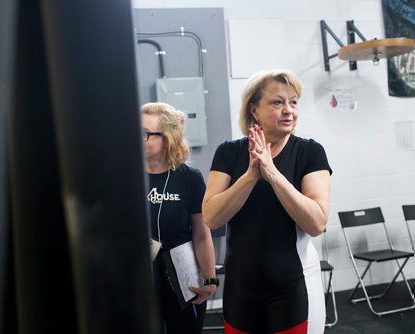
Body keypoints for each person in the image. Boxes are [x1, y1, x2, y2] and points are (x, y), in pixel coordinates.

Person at [202, 69, 332, 334]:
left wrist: (272, 173)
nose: (288, 110)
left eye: (293, 102)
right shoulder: (229, 152)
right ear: (254, 110)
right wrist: (251, 175)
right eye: (277, 102)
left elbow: (317, 223)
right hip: (241, 289)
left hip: (293, 287)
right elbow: (211, 217)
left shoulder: (310, 152)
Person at [142, 102, 217, 334]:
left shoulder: (189, 178)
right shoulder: (124, 176)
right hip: (140, 280)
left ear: (167, 138)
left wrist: (210, 279)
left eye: (145, 133)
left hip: (182, 278)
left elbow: (202, 234)